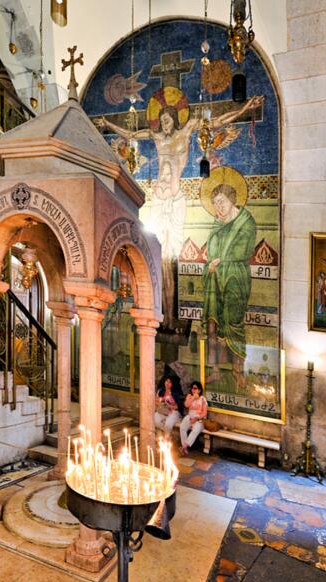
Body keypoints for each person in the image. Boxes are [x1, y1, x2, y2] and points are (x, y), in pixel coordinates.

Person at [97, 95, 263, 329]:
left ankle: (170, 315)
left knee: (170, 260)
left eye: (167, 120)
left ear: (175, 119)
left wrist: (244, 107)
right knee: (156, 256)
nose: (164, 125)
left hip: (175, 200)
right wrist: (107, 125)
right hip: (158, 198)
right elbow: (130, 134)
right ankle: (159, 312)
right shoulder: (155, 136)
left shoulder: (186, 131)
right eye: (161, 121)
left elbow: (215, 122)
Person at [202, 173, 256, 390]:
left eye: (221, 202)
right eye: (215, 203)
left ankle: (237, 370)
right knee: (213, 325)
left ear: (232, 200)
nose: (218, 207)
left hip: (235, 277)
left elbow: (244, 251)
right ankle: (215, 369)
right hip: (214, 278)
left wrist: (219, 260)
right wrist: (211, 263)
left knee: (234, 323)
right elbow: (211, 249)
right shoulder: (217, 224)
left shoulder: (246, 222)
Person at [179, 380, 207, 454]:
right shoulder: (189, 396)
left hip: (199, 419)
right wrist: (193, 398)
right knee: (182, 427)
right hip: (190, 416)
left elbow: (204, 413)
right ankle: (184, 448)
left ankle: (184, 447)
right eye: (192, 388)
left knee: (195, 430)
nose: (193, 390)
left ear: (199, 390)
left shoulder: (203, 399)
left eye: (195, 388)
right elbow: (186, 405)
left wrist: (197, 418)